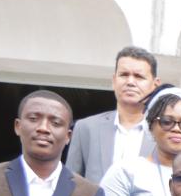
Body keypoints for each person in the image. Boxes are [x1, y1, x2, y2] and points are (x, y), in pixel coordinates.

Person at [65, 46, 157, 183]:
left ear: (155, 85)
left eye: (139, 76)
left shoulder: (168, 132)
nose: (130, 82)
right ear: (114, 81)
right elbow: (70, 183)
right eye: (124, 75)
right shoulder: (86, 128)